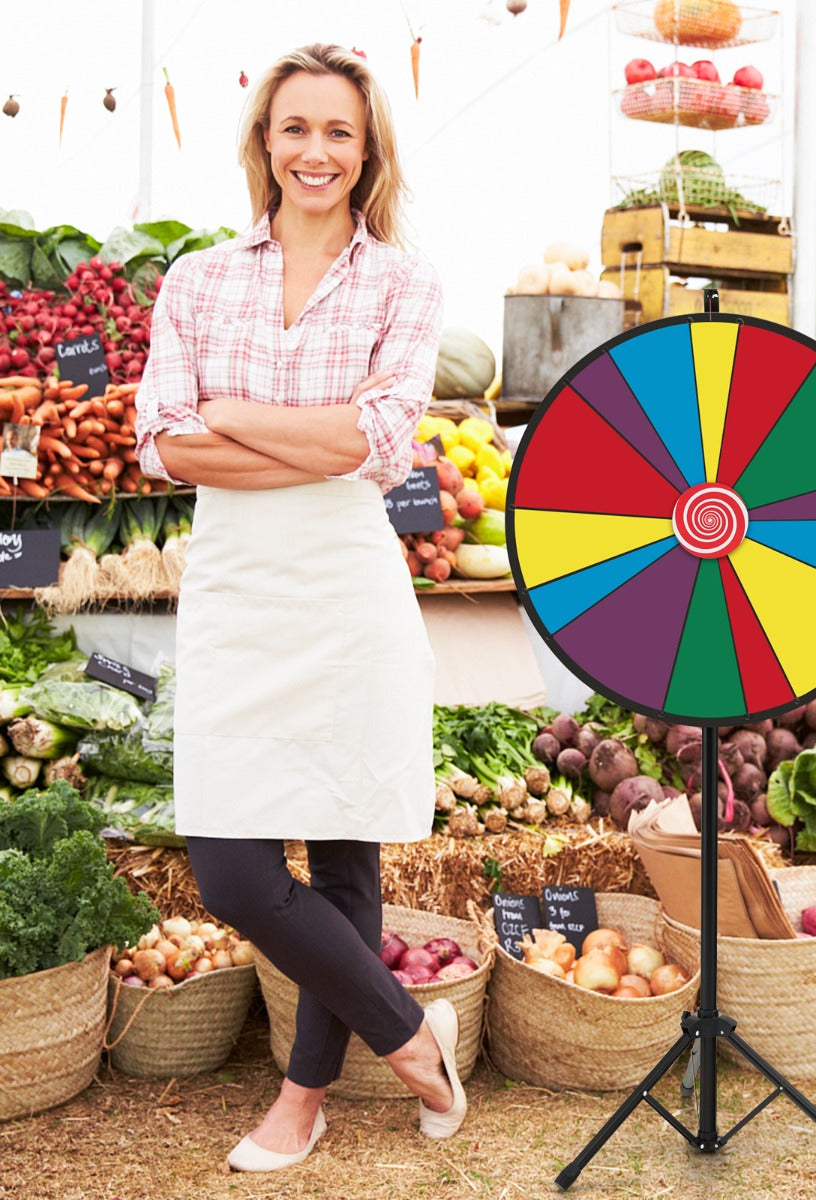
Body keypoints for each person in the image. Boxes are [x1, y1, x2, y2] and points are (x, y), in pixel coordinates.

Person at [133, 44, 464, 1172]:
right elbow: (163, 443)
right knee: (233, 871)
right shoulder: (197, 280)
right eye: (295, 128)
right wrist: (311, 439)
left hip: (345, 592)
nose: (315, 152)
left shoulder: (403, 283)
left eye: (338, 132)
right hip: (236, 592)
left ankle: (301, 1100)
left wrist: (230, 412)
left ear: (367, 152)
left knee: (344, 861)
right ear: (264, 142)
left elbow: (378, 443)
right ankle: (412, 1037)